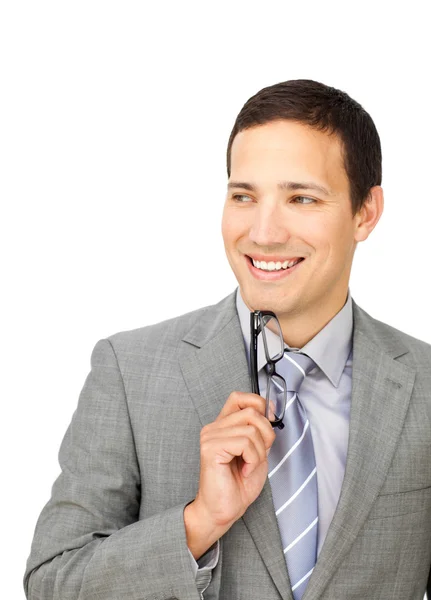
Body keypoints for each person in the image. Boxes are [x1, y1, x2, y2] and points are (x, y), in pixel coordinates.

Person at [24, 79, 431, 600]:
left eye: (301, 197)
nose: (263, 232)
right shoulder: (129, 372)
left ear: (365, 212)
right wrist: (198, 524)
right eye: (244, 195)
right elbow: (51, 583)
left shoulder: (422, 384)